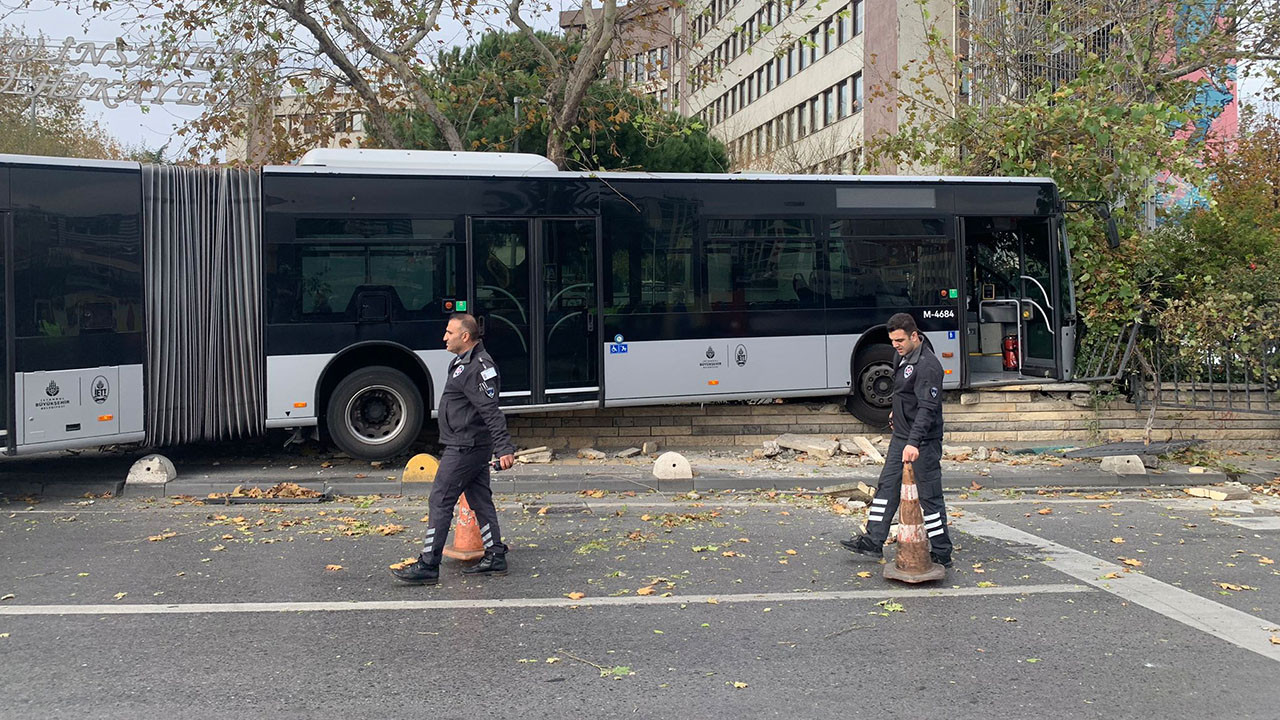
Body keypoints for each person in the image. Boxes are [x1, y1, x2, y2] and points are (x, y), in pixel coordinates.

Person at [392, 313, 516, 585]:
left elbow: (491, 411)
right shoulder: (462, 363)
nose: (444, 337)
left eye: (449, 332)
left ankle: (428, 564)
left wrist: (504, 448)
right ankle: (495, 555)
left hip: (465, 447)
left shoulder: (479, 367)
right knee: (480, 500)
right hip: (466, 443)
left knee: (440, 499)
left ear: (465, 336)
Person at [841, 312, 953, 568]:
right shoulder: (901, 356)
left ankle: (942, 551)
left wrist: (913, 443)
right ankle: (873, 540)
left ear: (915, 336)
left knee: (930, 497)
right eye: (893, 341)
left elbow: (927, 408)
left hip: (922, 441)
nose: (896, 345)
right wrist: (896, 411)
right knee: (887, 487)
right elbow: (903, 392)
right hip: (901, 436)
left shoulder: (929, 366)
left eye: (900, 340)